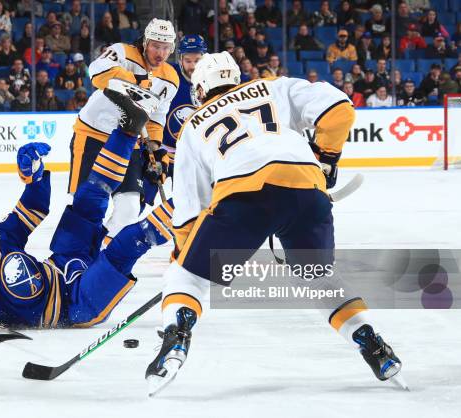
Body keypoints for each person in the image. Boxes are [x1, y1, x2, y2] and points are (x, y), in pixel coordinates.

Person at [145, 51, 403, 395]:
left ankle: (177, 337)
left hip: (243, 196)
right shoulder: (273, 87)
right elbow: (340, 110)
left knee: (186, 277)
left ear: (202, 87)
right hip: (305, 191)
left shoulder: (193, 125)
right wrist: (326, 160)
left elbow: (191, 209)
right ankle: (373, 345)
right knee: (319, 279)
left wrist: (185, 258)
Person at [0, 87, 174, 339]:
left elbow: (33, 209)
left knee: (89, 196)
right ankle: (187, 208)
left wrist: (34, 176)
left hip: (64, 264)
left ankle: (129, 128)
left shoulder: (2, 238)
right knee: (129, 242)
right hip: (77, 304)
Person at [69, 18, 179, 245]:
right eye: (156, 45)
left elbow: (156, 118)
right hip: (92, 134)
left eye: (166, 47)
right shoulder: (122, 52)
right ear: (146, 42)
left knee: (129, 208)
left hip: (128, 143)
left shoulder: (170, 78)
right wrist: (134, 83)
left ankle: (100, 252)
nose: (160, 52)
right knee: (84, 207)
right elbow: (96, 72)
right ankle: (78, 255)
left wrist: (155, 149)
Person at [163, 35, 206, 181]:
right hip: (162, 152)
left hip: (192, 157)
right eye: (188, 61)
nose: (192, 66)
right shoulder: (167, 74)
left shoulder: (211, 82)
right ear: (180, 59)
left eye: (197, 61)